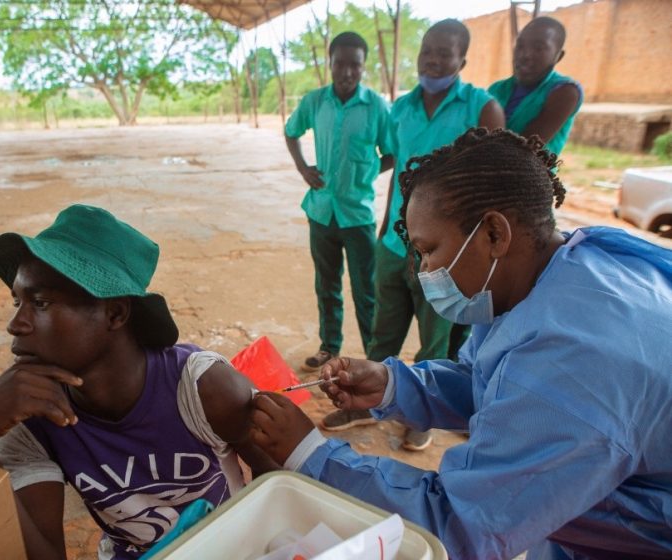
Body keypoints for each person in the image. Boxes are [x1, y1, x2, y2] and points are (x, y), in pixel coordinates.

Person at [250, 128, 672, 559]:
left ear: (493, 234)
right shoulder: (558, 270)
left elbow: (461, 524)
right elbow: (491, 380)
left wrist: (309, 454)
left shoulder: (577, 365)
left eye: (428, 250)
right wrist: (395, 385)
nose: (421, 271)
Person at [0, 204, 275, 560]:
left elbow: (277, 485)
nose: (15, 324)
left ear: (115, 313)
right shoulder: (32, 420)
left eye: (41, 302)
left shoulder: (203, 388)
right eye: (17, 301)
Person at [320, 20, 505, 453]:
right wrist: (387, 228)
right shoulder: (401, 108)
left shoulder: (482, 108)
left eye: (444, 53)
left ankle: (422, 415)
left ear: (463, 60)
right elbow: (399, 172)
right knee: (382, 334)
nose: (433, 60)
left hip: (446, 253)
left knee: (434, 341)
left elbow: (494, 186)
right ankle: (365, 403)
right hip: (394, 244)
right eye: (427, 52)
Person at [284, 31, 393, 374]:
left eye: (355, 65)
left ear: (363, 68)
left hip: (358, 214)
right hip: (321, 212)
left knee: (367, 291)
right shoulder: (315, 102)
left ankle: (373, 359)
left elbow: (391, 152)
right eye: (340, 64)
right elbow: (291, 131)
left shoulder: (376, 106)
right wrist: (303, 168)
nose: (347, 72)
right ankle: (329, 347)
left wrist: (369, 171)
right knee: (327, 285)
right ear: (330, 64)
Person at [489, 16, 582, 156]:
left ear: (558, 56)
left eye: (539, 48)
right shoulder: (497, 89)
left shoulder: (566, 92)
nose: (525, 55)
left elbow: (525, 150)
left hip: (529, 176)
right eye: (519, 46)